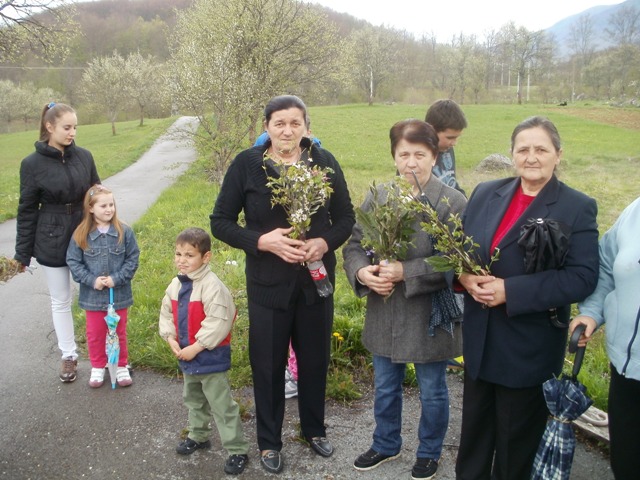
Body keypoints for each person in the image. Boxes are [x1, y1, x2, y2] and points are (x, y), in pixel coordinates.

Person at [210, 94, 355, 474]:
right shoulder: (247, 165)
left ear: (307, 126)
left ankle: (314, 429)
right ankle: (270, 442)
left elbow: (345, 217)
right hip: (268, 286)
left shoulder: (323, 163)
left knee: (314, 360)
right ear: (267, 127)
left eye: (295, 123)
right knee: (268, 365)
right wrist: (262, 241)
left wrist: (323, 243)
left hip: (315, 284)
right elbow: (220, 221)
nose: (287, 130)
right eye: (279, 123)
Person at [454, 116, 599, 480]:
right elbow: (454, 250)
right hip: (480, 339)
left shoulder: (576, 206)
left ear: (557, 154)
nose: (531, 157)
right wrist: (462, 276)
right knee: (473, 436)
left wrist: (510, 291)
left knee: (515, 443)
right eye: (523, 149)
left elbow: (581, 277)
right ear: (512, 154)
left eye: (540, 149)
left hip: (527, 345)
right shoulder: (487, 192)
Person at [343, 119, 466, 480]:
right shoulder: (379, 195)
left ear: (435, 155)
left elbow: (454, 261)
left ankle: (429, 451)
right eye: (404, 155)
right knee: (384, 385)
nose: (411, 163)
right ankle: (385, 443)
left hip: (429, 315)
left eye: (420, 154)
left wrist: (405, 271)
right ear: (394, 157)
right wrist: (362, 273)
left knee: (432, 389)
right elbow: (354, 245)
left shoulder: (451, 201)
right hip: (384, 311)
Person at [14, 102, 100, 383]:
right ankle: (69, 355)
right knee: (61, 299)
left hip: (85, 232)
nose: (72, 132)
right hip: (50, 237)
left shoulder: (85, 157)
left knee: (96, 295)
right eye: (67, 127)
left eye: (75, 127)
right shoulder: (31, 165)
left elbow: (97, 195)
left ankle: (105, 356)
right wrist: (22, 255)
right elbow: (26, 210)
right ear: (49, 127)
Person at [158, 227, 250, 476]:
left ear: (205, 257)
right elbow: (166, 313)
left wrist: (196, 347)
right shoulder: (176, 285)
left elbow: (219, 321)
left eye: (189, 255)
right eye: (178, 254)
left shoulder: (213, 287)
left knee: (222, 405)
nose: (181, 260)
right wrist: (171, 339)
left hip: (209, 357)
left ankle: (237, 449)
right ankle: (199, 435)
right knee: (194, 400)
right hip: (187, 357)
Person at [570, 196, 640, 480]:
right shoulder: (635, 211)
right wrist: (592, 312)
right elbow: (608, 264)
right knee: (626, 461)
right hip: (626, 365)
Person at [66, 184, 140, 388]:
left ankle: (121, 365)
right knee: (96, 333)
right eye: (103, 206)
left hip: (119, 294)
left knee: (118, 332)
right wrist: (92, 280)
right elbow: (73, 261)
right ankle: (98, 365)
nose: (109, 209)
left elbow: (133, 258)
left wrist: (117, 278)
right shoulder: (81, 234)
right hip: (93, 297)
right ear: (90, 208)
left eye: (111, 205)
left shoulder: (124, 231)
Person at [425, 99, 467, 195]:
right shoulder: (417, 157)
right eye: (450, 138)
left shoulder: (447, 149)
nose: (454, 143)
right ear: (431, 129)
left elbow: (451, 183)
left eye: (456, 137)